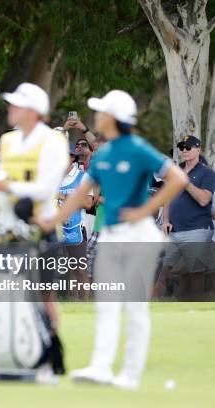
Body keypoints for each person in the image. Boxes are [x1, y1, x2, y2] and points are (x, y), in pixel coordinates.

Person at [39, 90, 187, 389]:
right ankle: (101, 367)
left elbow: (178, 180)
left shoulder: (139, 149)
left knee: (134, 304)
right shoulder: (102, 154)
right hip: (110, 234)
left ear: (113, 118)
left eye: (101, 112)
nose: (96, 116)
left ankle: (130, 375)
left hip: (138, 235)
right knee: (106, 303)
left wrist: (146, 209)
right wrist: (53, 219)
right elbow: (82, 194)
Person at [0, 82, 69, 383]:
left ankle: (48, 360)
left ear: (33, 111)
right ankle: (12, 357)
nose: (10, 110)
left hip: (41, 228)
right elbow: (4, 178)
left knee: (43, 298)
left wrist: (3, 186)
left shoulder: (52, 142)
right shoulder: (8, 142)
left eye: (16, 105)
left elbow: (44, 187)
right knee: (10, 294)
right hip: (10, 229)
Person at [157, 135, 215, 296]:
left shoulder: (207, 173)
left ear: (198, 149)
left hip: (197, 230)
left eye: (188, 147)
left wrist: (186, 183)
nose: (183, 150)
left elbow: (204, 200)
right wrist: (166, 221)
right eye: (181, 147)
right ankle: (156, 309)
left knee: (195, 273)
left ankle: (195, 308)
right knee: (165, 271)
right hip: (174, 230)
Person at [58, 146, 93, 300]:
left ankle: (84, 304)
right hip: (56, 230)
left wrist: (63, 197)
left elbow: (88, 204)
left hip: (76, 229)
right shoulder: (52, 177)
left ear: (72, 157)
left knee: (79, 269)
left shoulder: (83, 177)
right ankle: (68, 304)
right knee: (61, 271)